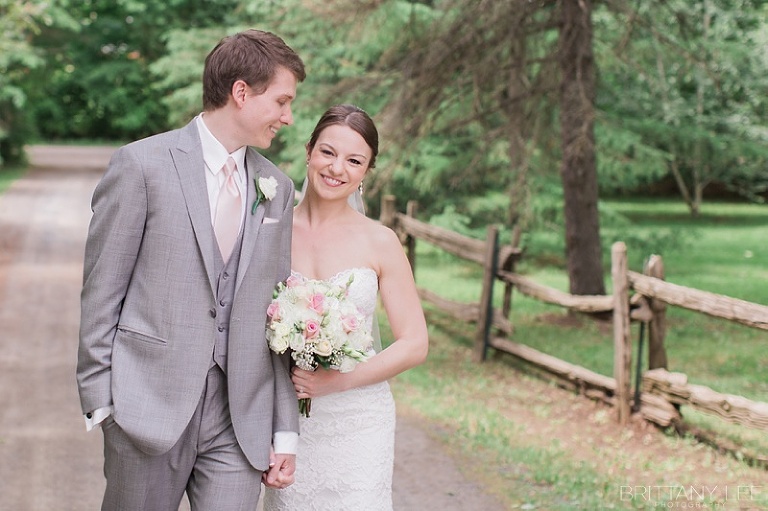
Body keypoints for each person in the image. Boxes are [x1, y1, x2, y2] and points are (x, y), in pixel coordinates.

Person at [76, 29, 305, 510]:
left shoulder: (276, 188)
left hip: (238, 421)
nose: (288, 117)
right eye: (282, 101)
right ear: (241, 92)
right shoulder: (141, 166)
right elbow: (101, 294)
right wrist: (102, 404)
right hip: (145, 409)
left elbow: (277, 320)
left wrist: (284, 428)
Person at [263, 104, 429, 510]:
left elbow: (414, 343)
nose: (337, 168)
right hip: (289, 420)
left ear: (366, 172)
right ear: (308, 151)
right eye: (328, 152)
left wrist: (337, 382)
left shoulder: (381, 242)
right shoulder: (270, 230)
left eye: (354, 160)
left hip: (359, 420)